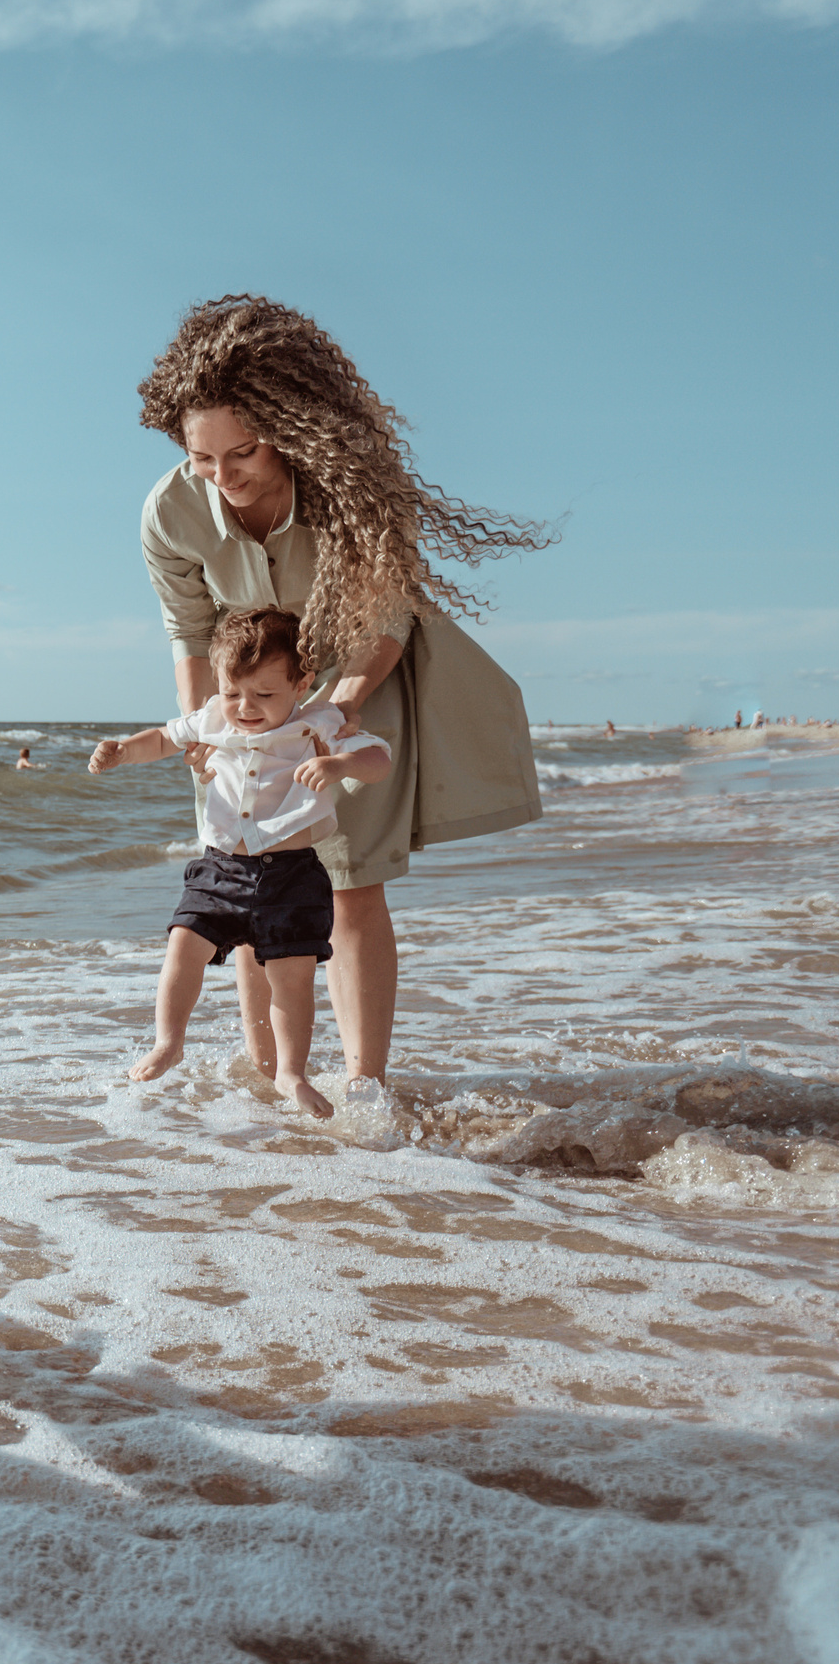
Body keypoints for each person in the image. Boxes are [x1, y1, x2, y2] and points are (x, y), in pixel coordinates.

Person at [136, 295, 554, 1102]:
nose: (223, 477)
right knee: (248, 880)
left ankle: (364, 1085)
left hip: (358, 674)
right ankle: (271, 1077)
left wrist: (342, 706)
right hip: (245, 696)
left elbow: (388, 612)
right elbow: (188, 629)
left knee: (352, 881)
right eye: (202, 458)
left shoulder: (357, 483)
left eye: (244, 453)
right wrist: (204, 735)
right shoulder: (170, 510)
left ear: (290, 428)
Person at [89, 608, 392, 1116]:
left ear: (302, 684)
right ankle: (169, 1041)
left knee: (292, 978)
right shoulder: (212, 717)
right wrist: (122, 751)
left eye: (264, 695)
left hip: (293, 876)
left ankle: (291, 1072)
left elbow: (378, 758)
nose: (245, 708)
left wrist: (339, 764)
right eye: (233, 693)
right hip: (220, 867)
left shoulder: (320, 723)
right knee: (183, 947)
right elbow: (165, 738)